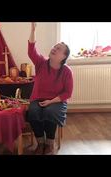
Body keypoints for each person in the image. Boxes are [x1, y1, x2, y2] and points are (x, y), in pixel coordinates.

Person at [27, 22, 73, 155]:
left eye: (59, 48)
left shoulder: (67, 71)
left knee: (50, 111)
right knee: (33, 111)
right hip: (38, 98)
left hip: (57, 101)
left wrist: (51, 101)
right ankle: (40, 143)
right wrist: (33, 29)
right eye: (55, 46)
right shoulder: (41, 62)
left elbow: (67, 93)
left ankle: (50, 144)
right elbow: (31, 50)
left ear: (64, 56)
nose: (54, 48)